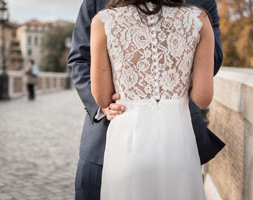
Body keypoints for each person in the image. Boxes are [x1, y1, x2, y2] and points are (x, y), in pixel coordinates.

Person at [67, 0, 225, 199]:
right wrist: (103, 107)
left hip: (128, 139)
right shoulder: (198, 18)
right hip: (166, 139)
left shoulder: (104, 20)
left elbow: (216, 57)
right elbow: (79, 59)